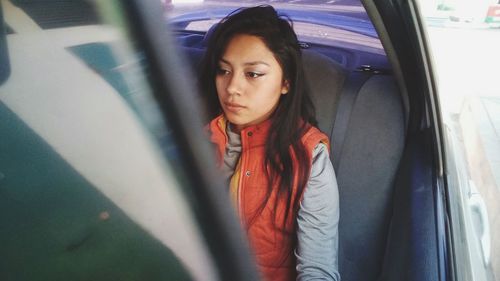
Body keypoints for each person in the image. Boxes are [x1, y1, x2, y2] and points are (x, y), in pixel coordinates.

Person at [200, 5, 340, 281]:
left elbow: (317, 270)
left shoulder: (308, 157)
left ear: (286, 81)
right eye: (223, 70)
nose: (231, 88)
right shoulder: (197, 138)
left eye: (252, 74)